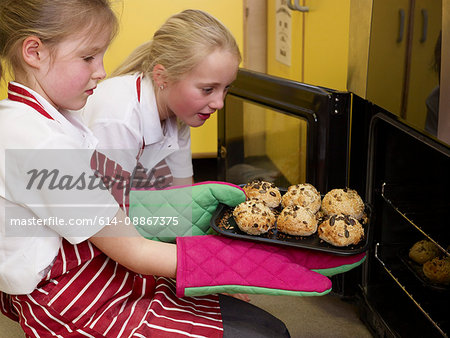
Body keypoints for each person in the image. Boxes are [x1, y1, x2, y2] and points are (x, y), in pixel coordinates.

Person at [0, 2, 294, 337]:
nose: (101, 71)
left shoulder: (40, 119)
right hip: (71, 298)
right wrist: (233, 266)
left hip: (101, 264)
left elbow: (169, 205)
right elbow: (133, 250)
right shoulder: (43, 144)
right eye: (88, 57)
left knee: (266, 327)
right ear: (34, 52)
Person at [82, 9, 241, 189]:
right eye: (207, 89)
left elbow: (182, 195)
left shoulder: (177, 114)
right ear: (162, 77)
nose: (219, 103)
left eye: (226, 87)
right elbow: (109, 210)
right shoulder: (119, 118)